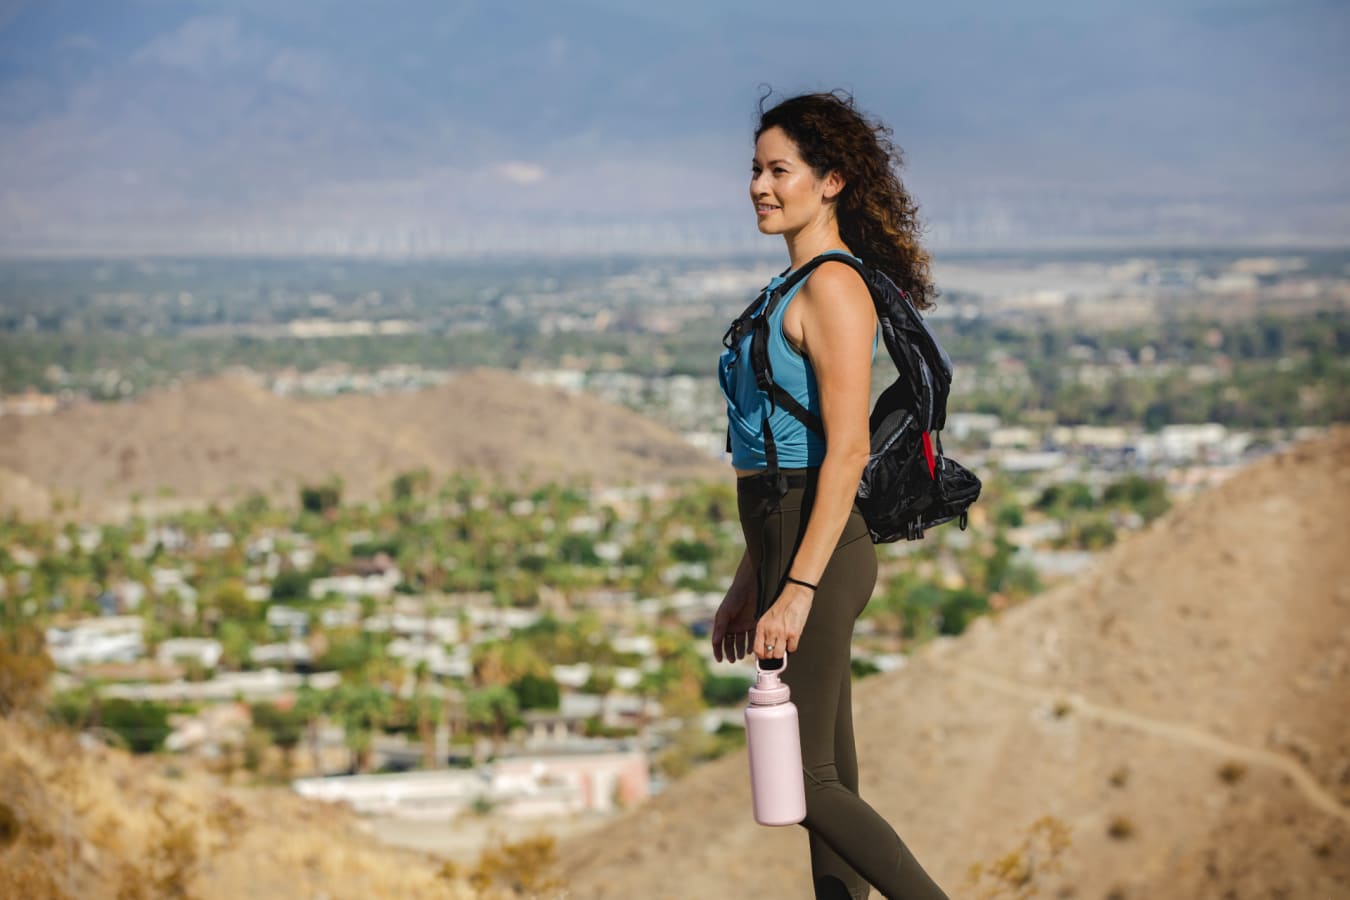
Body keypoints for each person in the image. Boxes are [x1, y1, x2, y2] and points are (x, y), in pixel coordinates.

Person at [711, 91, 950, 900]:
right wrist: (752, 584)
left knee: (806, 784)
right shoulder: (791, 289)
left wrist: (798, 588)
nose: (759, 186)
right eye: (755, 169)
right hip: (781, 541)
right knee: (829, 780)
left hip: (820, 549)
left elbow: (843, 450)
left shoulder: (834, 290)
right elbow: (777, 461)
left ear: (832, 180)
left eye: (780, 170)